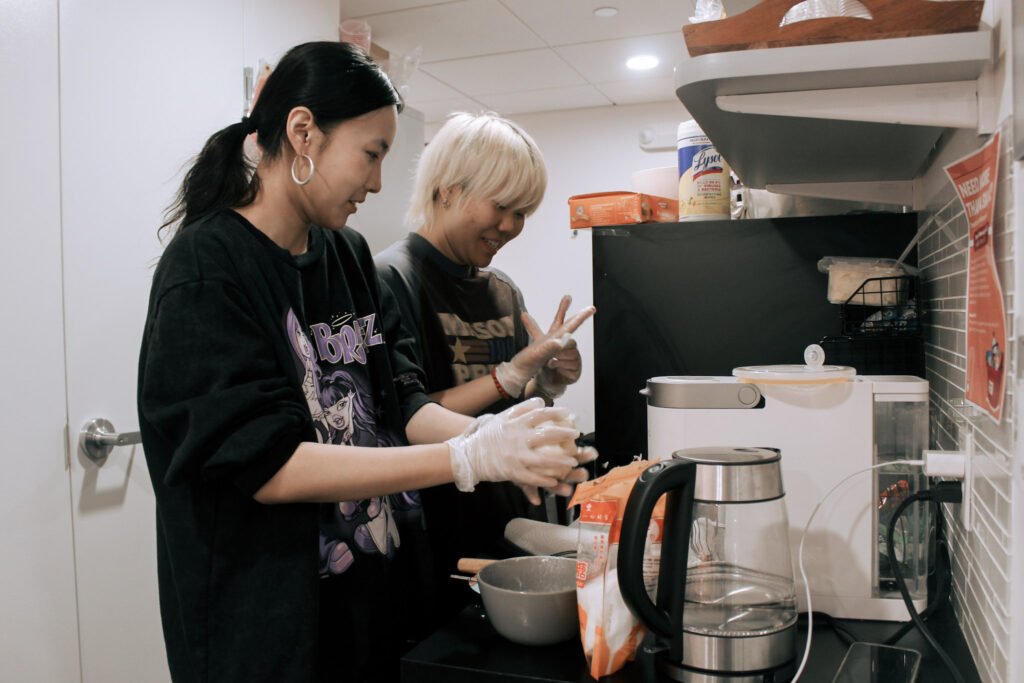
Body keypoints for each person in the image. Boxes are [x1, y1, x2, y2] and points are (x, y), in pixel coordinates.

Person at [137, 42, 594, 683]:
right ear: (304, 134)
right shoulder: (208, 270)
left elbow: (401, 408)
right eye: (372, 153)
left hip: (368, 602)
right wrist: (469, 457)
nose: (378, 180)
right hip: (267, 626)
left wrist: (502, 441)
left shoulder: (346, 257)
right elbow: (270, 465)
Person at [374, 111, 595, 630]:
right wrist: (510, 375)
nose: (511, 227)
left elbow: (514, 406)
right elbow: (408, 414)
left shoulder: (501, 288)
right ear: (448, 189)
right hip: (431, 528)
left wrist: (550, 379)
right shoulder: (389, 278)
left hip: (505, 519)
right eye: (502, 207)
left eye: (523, 213)